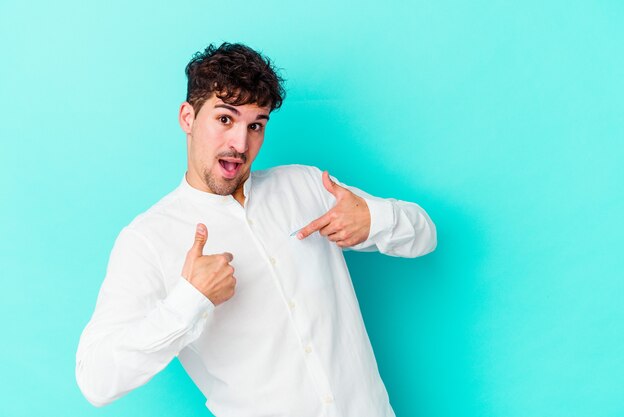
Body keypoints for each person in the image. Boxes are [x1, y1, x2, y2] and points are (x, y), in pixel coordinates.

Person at [76, 42, 437, 417]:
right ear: (188, 117)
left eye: (256, 125)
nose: (240, 143)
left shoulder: (308, 186)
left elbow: (425, 236)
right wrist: (189, 299)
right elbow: (96, 381)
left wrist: (374, 220)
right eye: (224, 119)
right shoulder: (148, 240)